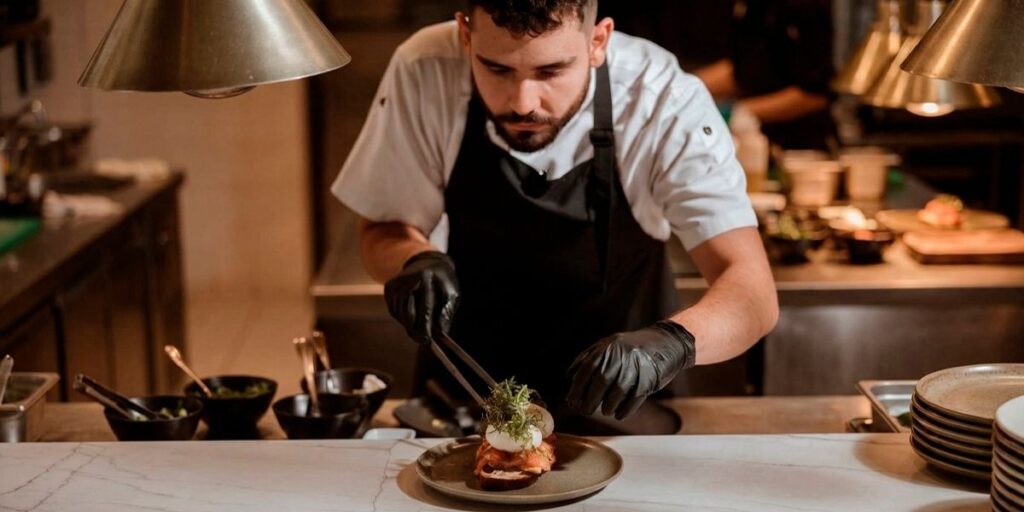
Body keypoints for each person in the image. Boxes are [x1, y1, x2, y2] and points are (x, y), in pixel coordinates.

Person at [333, 0, 778, 434]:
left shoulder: (661, 98)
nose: (524, 103)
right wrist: (413, 260)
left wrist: (672, 344)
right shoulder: (425, 68)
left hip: (620, 409)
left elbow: (751, 291)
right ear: (465, 36)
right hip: (466, 403)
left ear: (597, 41)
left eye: (551, 71)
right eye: (497, 69)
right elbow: (381, 231)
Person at [696, 0, 836, 150]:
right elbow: (743, 71)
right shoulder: (751, 6)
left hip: (802, 150)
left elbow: (814, 95)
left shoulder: (806, 6)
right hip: (755, 142)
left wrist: (736, 112)